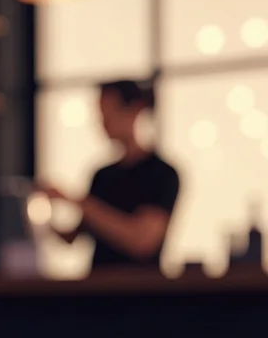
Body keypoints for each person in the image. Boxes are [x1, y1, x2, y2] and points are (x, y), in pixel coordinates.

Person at [39, 80, 180, 269]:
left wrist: (75, 200)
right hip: (98, 282)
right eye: (101, 115)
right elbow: (73, 237)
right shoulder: (102, 175)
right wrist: (41, 216)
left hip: (141, 284)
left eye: (110, 113)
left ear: (135, 110)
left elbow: (142, 242)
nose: (104, 123)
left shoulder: (162, 174)